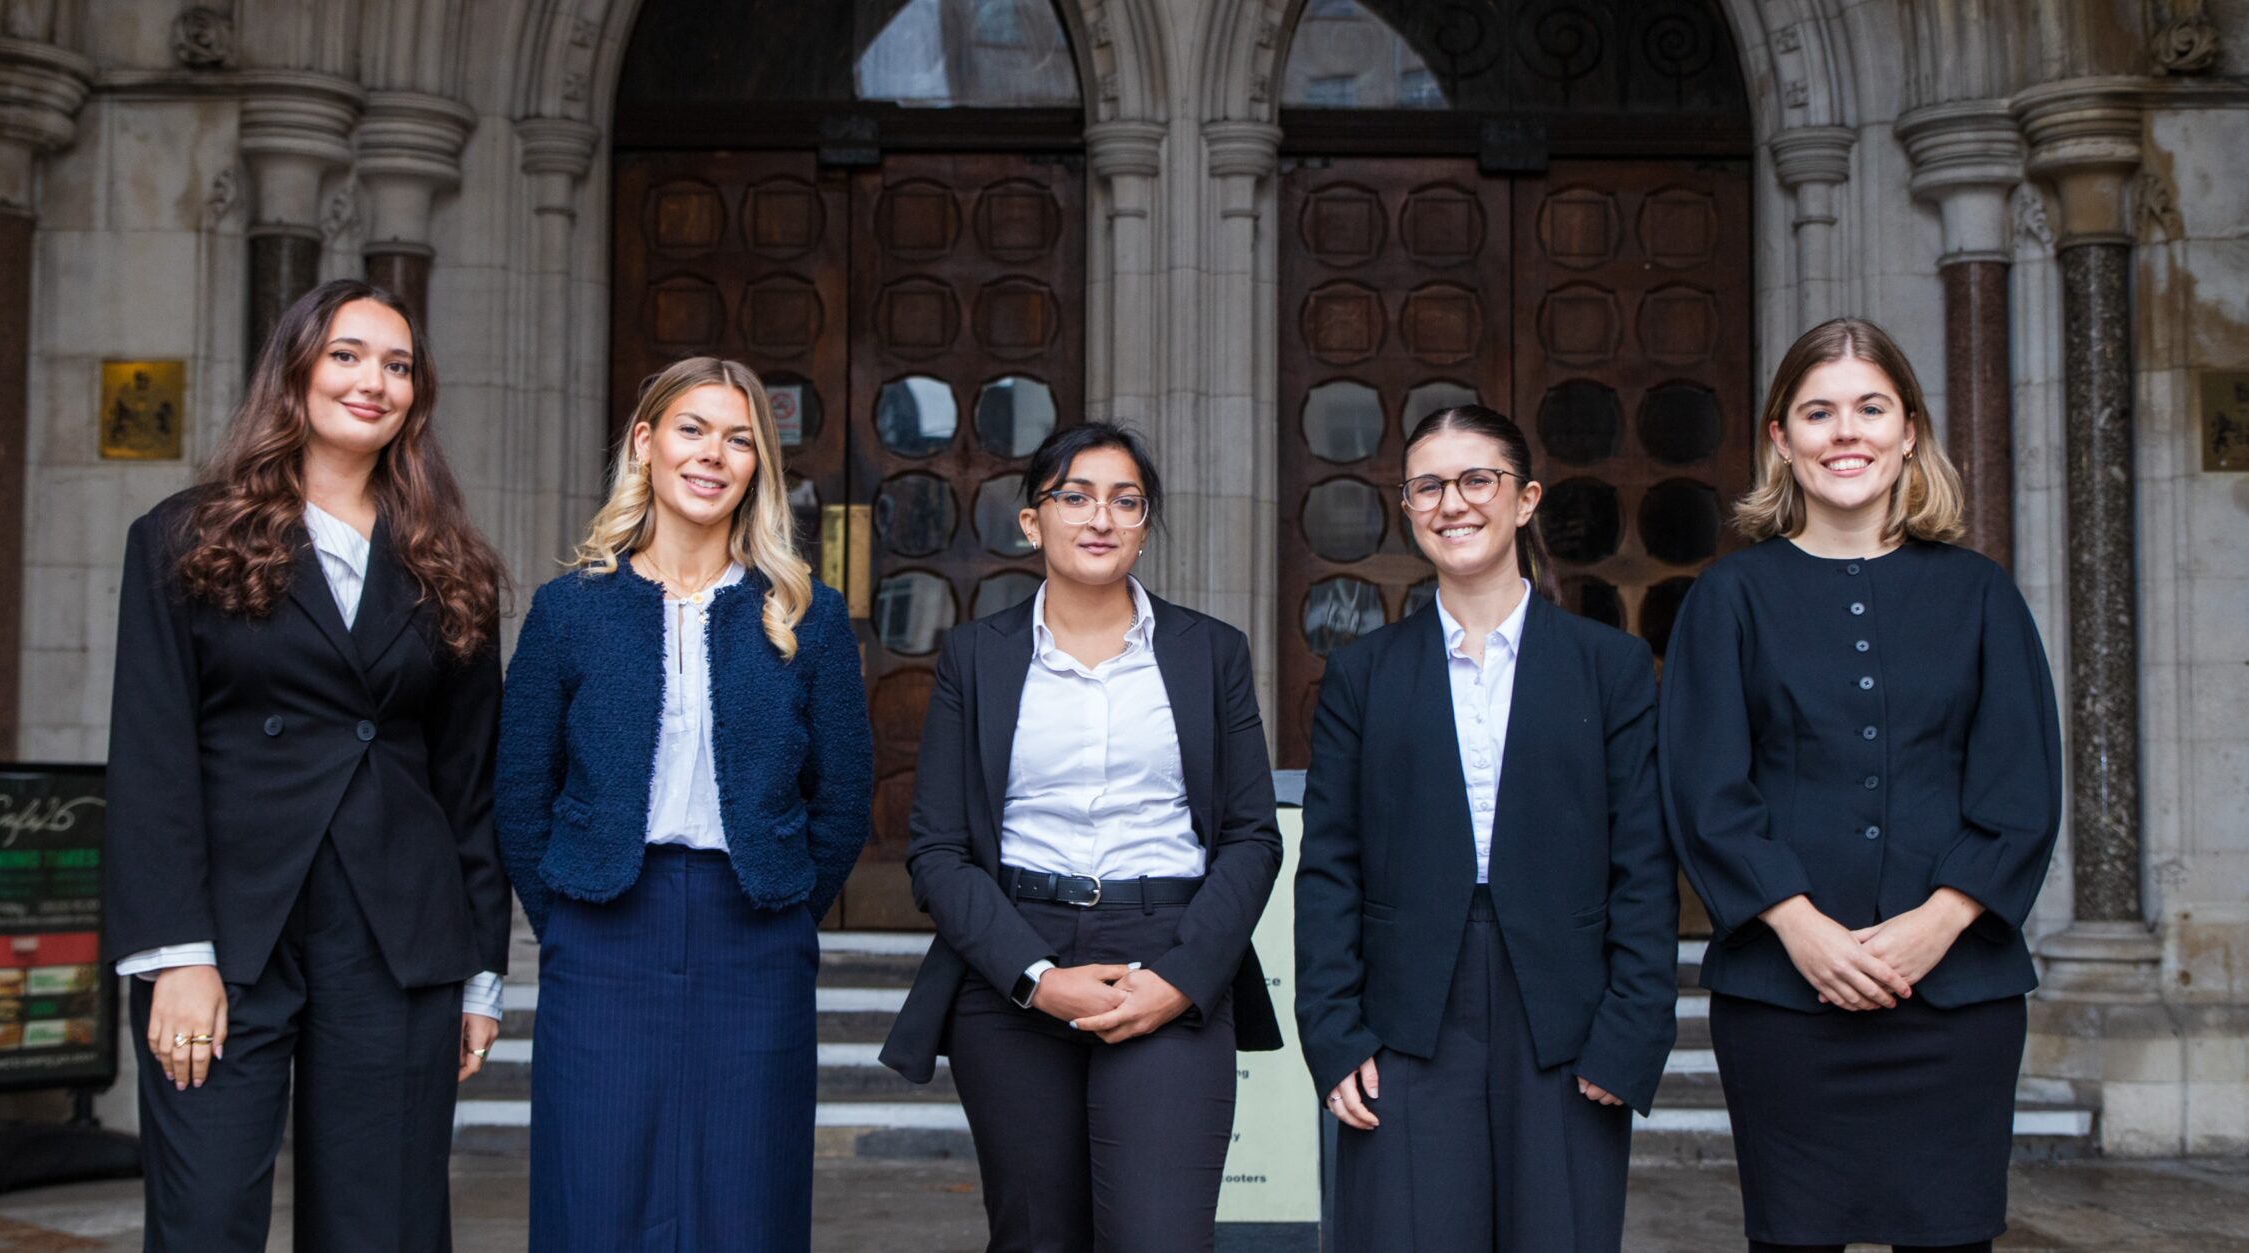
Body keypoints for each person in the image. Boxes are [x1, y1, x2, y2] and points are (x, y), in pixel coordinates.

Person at [105, 279, 509, 1251]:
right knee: (203, 1221)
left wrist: (478, 970)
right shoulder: (181, 537)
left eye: (398, 364)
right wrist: (177, 954)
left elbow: (469, 780)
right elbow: (151, 756)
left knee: (385, 1226)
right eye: (347, 354)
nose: (374, 381)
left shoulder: (450, 561)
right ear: (293, 370)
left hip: (398, 932)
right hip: (228, 931)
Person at [1660, 318, 2061, 1253]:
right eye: (1819, 412)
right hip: (1785, 1003)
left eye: (1870, 408)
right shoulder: (1730, 598)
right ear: (1781, 438)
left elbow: (2021, 784)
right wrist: (1801, 929)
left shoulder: (1981, 593)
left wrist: (1939, 923)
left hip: (1958, 1000)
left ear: (1909, 429)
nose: (1847, 433)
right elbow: (1705, 789)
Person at [878, 423, 1284, 1252]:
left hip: (1166, 956)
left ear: (1143, 525)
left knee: (1160, 1235)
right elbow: (939, 852)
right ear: (1034, 522)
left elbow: (1251, 836)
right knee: (1037, 1237)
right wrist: (1036, 978)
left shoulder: (1211, 653)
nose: (1100, 517)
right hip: (1013, 965)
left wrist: (1182, 977)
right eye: (1075, 496)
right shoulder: (975, 656)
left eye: (1125, 500)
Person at [497, 355, 871, 1252]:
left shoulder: (806, 615)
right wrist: (572, 917)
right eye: (693, 429)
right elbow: (519, 791)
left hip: (757, 939)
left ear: (758, 468)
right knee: (597, 1196)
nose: (714, 454)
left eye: (740, 439)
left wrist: (781, 899)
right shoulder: (569, 610)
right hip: (602, 938)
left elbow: (845, 795)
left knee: (747, 1201)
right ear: (646, 442)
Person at [1294, 404, 1677, 1252]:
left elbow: (1643, 864)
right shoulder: (1362, 675)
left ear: (1526, 498)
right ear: (1407, 505)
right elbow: (1330, 868)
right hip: (1404, 1019)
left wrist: (1631, 1030)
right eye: (1428, 485)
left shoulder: (1608, 667)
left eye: (1478, 480)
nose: (1453, 503)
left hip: (1568, 1021)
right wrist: (1333, 1032)